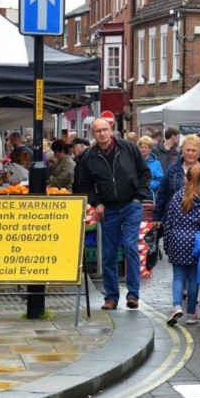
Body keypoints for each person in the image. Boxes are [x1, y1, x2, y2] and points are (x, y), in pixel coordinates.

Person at [78, 117, 152, 310]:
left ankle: (133, 295)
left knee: (130, 247)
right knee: (109, 254)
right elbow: (84, 184)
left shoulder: (128, 148)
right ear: (92, 134)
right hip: (108, 209)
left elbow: (145, 173)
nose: (102, 134)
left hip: (131, 205)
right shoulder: (89, 156)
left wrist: (139, 196)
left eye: (105, 129)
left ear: (111, 130)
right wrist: (97, 203)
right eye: (98, 131)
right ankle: (111, 297)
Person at [163, 163, 200, 325]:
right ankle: (191, 313)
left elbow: (169, 222)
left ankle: (176, 306)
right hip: (196, 242)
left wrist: (167, 244)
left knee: (178, 277)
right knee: (193, 279)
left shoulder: (176, 197)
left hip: (177, 240)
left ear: (185, 178)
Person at [153, 134, 200, 225]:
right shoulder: (173, 169)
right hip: (174, 221)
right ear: (182, 150)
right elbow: (162, 192)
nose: (190, 153)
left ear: (199, 152)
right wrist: (157, 216)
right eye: (187, 150)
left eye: (193, 150)